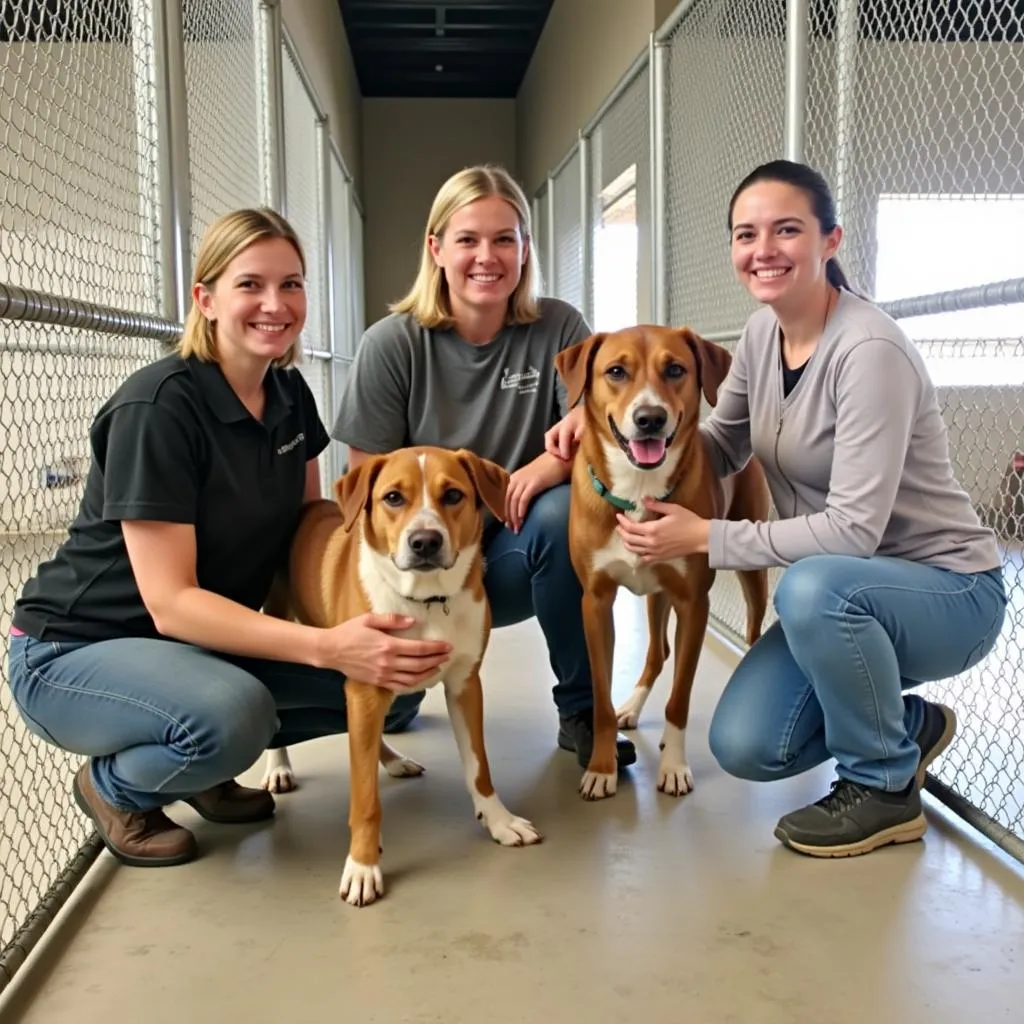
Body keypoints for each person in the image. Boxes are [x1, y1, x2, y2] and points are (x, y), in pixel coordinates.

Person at [546, 159, 1006, 858]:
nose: (764, 249)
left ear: (829, 240)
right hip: (847, 599)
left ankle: (882, 789)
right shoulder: (762, 335)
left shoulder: (869, 351)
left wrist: (708, 534)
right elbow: (719, 445)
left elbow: (854, 531)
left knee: (814, 585)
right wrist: (622, 436)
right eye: (746, 233)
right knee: (747, 743)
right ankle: (905, 726)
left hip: (945, 592)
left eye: (786, 230)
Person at [6, 208, 452, 868]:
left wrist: (369, 610)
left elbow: (310, 532)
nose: (275, 304)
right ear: (205, 299)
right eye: (251, 285)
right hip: (78, 649)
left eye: (292, 284)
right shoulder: (157, 409)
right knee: (232, 715)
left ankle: (201, 766)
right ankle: (115, 788)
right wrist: (326, 644)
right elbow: (171, 603)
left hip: (194, 647)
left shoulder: (290, 394)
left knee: (395, 683)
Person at [331, 163, 636, 770]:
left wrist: (539, 472)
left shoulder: (559, 327)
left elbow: (589, 439)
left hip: (508, 556)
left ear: (525, 249)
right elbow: (369, 496)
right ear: (436, 248)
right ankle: (411, 681)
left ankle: (580, 710)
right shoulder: (391, 345)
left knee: (560, 516)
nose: (486, 256)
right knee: (388, 704)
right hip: (411, 570)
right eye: (468, 239)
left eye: (504, 239)